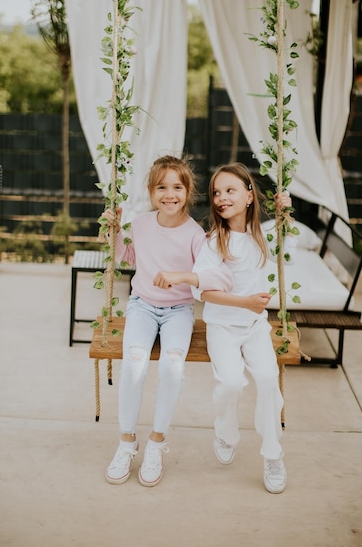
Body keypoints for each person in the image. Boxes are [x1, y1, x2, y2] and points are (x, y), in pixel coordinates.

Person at [154, 162, 296, 493]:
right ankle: (225, 430)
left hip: (255, 327)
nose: (221, 198)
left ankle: (273, 453)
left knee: (266, 379)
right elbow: (203, 291)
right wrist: (245, 301)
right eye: (216, 192)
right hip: (222, 326)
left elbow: (284, 230)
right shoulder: (214, 241)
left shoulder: (264, 236)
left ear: (250, 196)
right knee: (231, 382)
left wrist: (284, 210)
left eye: (230, 190)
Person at [101, 155, 232, 488]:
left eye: (177, 187)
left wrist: (179, 277)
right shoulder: (141, 224)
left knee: (173, 366)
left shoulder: (194, 235)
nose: (169, 194)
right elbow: (127, 256)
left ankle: (156, 443)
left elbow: (209, 276)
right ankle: (127, 441)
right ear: (150, 191)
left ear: (188, 192)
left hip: (178, 312)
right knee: (133, 364)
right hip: (142, 306)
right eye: (162, 187)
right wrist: (113, 232)